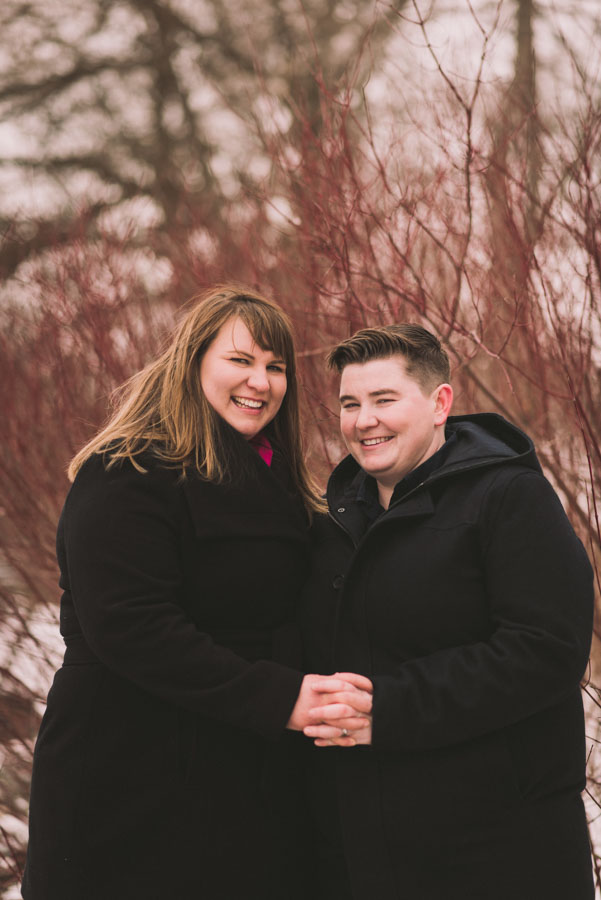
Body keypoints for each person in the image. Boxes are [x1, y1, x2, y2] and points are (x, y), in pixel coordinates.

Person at [21, 285, 370, 900]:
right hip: (128, 777)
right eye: (240, 359)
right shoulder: (127, 470)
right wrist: (280, 697)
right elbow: (131, 626)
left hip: (240, 777)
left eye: (276, 367)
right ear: (192, 362)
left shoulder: (279, 481)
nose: (260, 381)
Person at [300, 324, 595, 900]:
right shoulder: (334, 521)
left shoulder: (509, 497)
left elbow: (546, 650)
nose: (364, 420)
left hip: (500, 850)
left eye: (385, 399)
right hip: (375, 852)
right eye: (350, 404)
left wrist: (391, 707)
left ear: (440, 404)